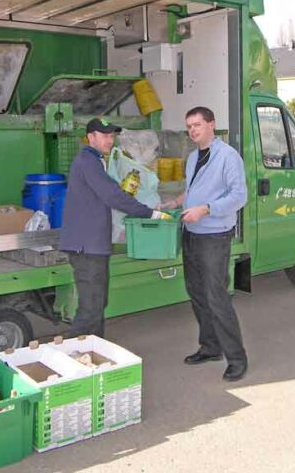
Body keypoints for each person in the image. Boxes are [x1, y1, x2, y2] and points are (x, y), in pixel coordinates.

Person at [161, 106, 249, 381]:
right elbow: (194, 190)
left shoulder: (228, 157)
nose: (193, 130)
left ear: (212, 125)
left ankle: (237, 358)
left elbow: (239, 195)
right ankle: (210, 347)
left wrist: (206, 209)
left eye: (197, 124)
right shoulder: (193, 156)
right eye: (189, 126)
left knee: (217, 296)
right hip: (192, 233)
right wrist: (177, 202)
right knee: (197, 293)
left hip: (214, 235)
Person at [60, 117, 166, 337]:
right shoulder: (87, 161)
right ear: (91, 137)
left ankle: (95, 350)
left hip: (93, 244)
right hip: (86, 247)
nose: (110, 140)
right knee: (91, 307)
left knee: (98, 303)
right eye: (105, 136)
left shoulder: (97, 160)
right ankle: (72, 358)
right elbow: (111, 195)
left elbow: (108, 195)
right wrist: (149, 212)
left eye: (111, 136)